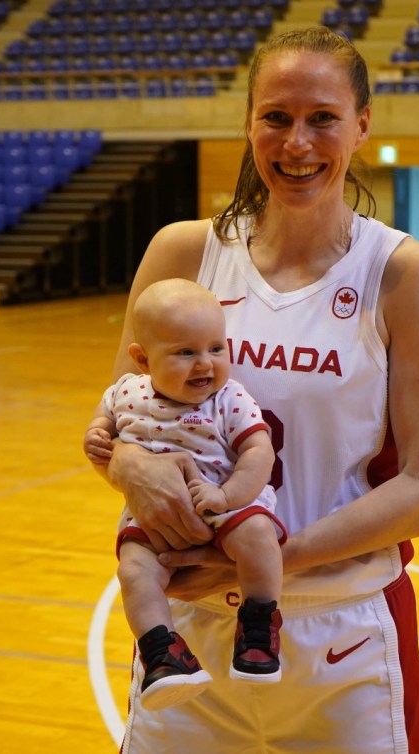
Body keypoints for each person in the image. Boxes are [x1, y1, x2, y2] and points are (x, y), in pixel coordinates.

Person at [86, 26, 419, 753]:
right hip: (189, 636)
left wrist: (260, 558)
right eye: (277, 117)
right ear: (249, 122)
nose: (297, 143)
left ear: (362, 124)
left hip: (341, 639)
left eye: (322, 117)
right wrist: (128, 466)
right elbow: (126, 422)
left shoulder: (407, 276)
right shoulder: (183, 252)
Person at [84, 278, 287, 711]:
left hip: (226, 500)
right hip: (153, 516)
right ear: (142, 359)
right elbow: (103, 423)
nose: (205, 364)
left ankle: (258, 625)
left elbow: (258, 451)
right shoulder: (126, 391)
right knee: (134, 571)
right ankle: (162, 651)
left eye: (216, 348)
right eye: (185, 352)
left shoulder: (229, 398)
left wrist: (229, 495)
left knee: (257, 537)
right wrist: (97, 436)